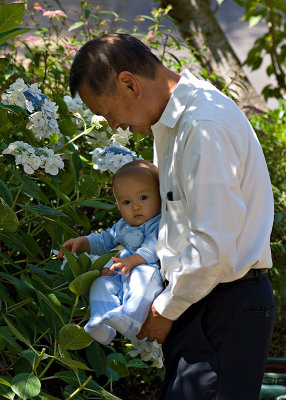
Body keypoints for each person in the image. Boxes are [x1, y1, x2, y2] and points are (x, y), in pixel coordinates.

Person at [69, 33, 275, 399]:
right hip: (206, 303)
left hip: (223, 305)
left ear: (129, 84)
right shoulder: (174, 125)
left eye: (106, 112)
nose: (113, 125)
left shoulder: (202, 125)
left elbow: (213, 244)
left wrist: (165, 310)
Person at [58, 160, 163, 345]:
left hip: (147, 270)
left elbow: (154, 246)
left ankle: (130, 318)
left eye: (143, 198)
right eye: (127, 202)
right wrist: (82, 242)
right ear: (118, 206)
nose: (135, 206)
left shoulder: (158, 222)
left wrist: (133, 261)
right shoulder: (122, 226)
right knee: (100, 283)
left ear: (160, 196)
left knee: (142, 277)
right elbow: (104, 240)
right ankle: (101, 322)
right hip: (121, 272)